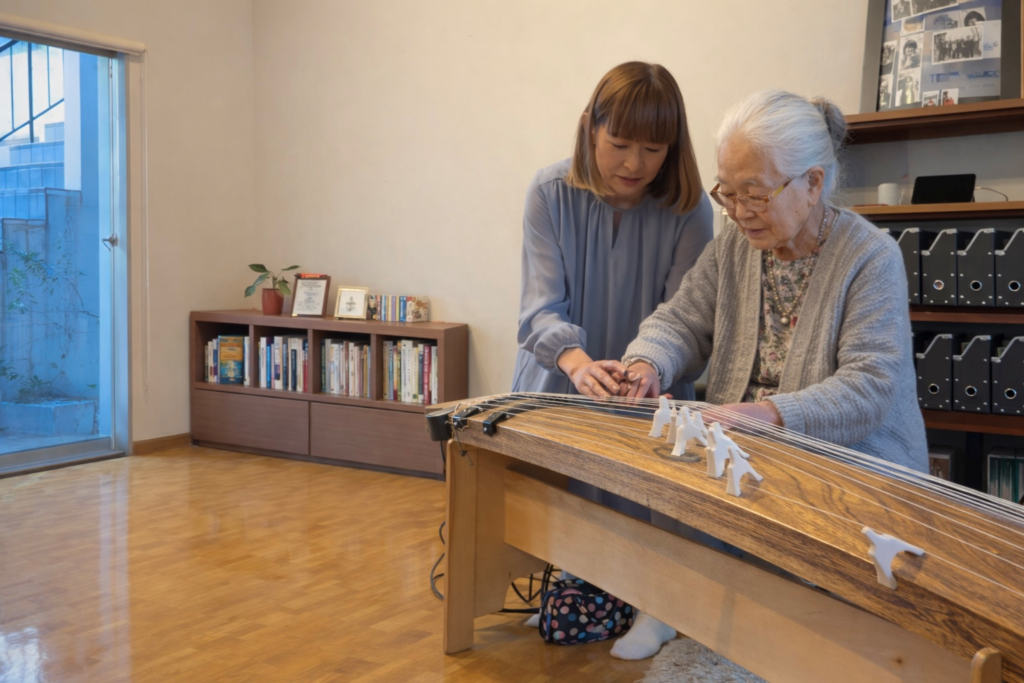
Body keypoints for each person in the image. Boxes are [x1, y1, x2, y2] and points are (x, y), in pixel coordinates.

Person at [600, 89, 927, 475]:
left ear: (813, 183)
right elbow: (681, 322)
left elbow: (868, 387)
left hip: (852, 471)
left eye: (755, 195)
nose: (739, 212)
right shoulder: (733, 248)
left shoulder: (871, 257)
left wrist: (768, 415)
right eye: (728, 192)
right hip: (747, 459)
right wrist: (646, 364)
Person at [511, 61, 714, 660]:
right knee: (560, 502)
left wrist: (648, 368)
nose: (634, 163)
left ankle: (655, 605)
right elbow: (540, 307)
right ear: (589, 128)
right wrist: (577, 363)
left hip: (648, 383)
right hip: (559, 376)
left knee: (644, 495)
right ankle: (578, 590)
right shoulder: (550, 193)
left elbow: (686, 316)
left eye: (653, 148)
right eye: (620, 143)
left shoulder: (690, 209)